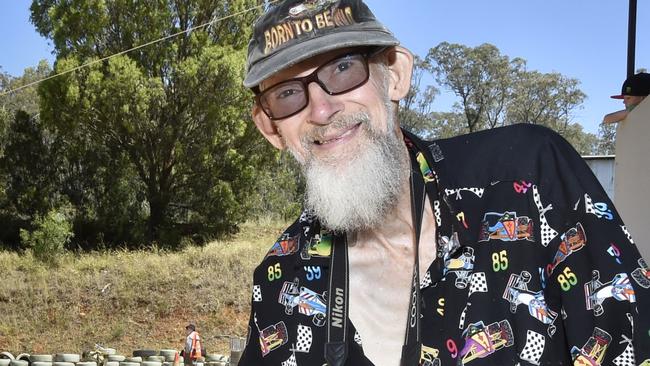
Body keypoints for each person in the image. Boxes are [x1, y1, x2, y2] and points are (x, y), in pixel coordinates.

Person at [238, 1, 650, 365]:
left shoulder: (529, 181)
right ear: (270, 128)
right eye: (288, 93)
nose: (322, 109)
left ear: (395, 74)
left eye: (344, 68)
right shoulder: (279, 282)